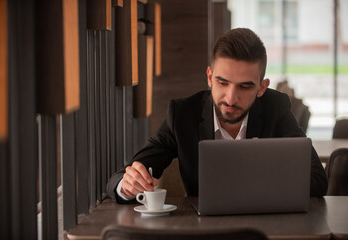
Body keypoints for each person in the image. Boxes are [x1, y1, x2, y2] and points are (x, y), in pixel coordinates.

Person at [107, 28, 328, 203]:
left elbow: (317, 180)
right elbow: (121, 178)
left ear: (261, 88)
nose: (230, 99)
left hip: (265, 228)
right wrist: (127, 186)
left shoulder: (276, 107)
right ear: (210, 77)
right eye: (222, 82)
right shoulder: (183, 114)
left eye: (244, 87)